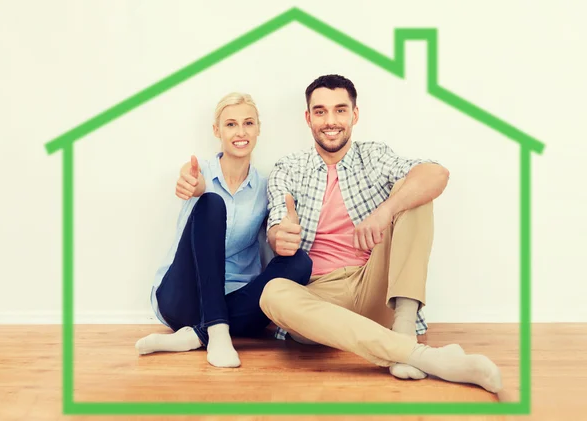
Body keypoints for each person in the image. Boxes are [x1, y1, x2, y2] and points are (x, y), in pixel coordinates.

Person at [259, 74, 503, 393]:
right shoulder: (288, 167)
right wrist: (281, 234)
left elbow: (436, 174)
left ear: (354, 115)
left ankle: (404, 327)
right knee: (272, 292)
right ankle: (425, 357)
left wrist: (384, 211)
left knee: (414, 189)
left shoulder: (373, 156)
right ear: (308, 118)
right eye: (320, 111)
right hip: (320, 298)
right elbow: (280, 214)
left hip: (373, 284)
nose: (330, 121)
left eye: (340, 110)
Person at [135, 92, 312, 368]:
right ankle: (216, 331)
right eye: (230, 124)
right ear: (217, 130)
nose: (240, 132)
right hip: (182, 299)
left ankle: (197, 335)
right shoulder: (201, 171)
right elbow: (190, 176)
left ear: (258, 129)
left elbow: (278, 232)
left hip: (236, 301)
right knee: (212, 203)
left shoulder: (266, 188)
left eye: (248, 123)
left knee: (300, 262)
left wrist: (283, 234)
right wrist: (194, 186)